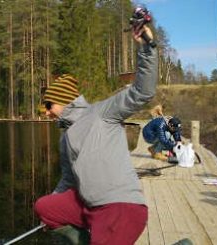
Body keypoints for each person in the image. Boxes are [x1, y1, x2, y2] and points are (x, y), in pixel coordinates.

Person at [33, 25, 157, 245]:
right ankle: (84, 237)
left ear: (63, 99)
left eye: (49, 105)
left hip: (119, 205)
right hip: (86, 205)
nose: (48, 112)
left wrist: (147, 47)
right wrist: (51, 209)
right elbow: (67, 180)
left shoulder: (102, 112)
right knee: (44, 207)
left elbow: (142, 92)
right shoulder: (66, 138)